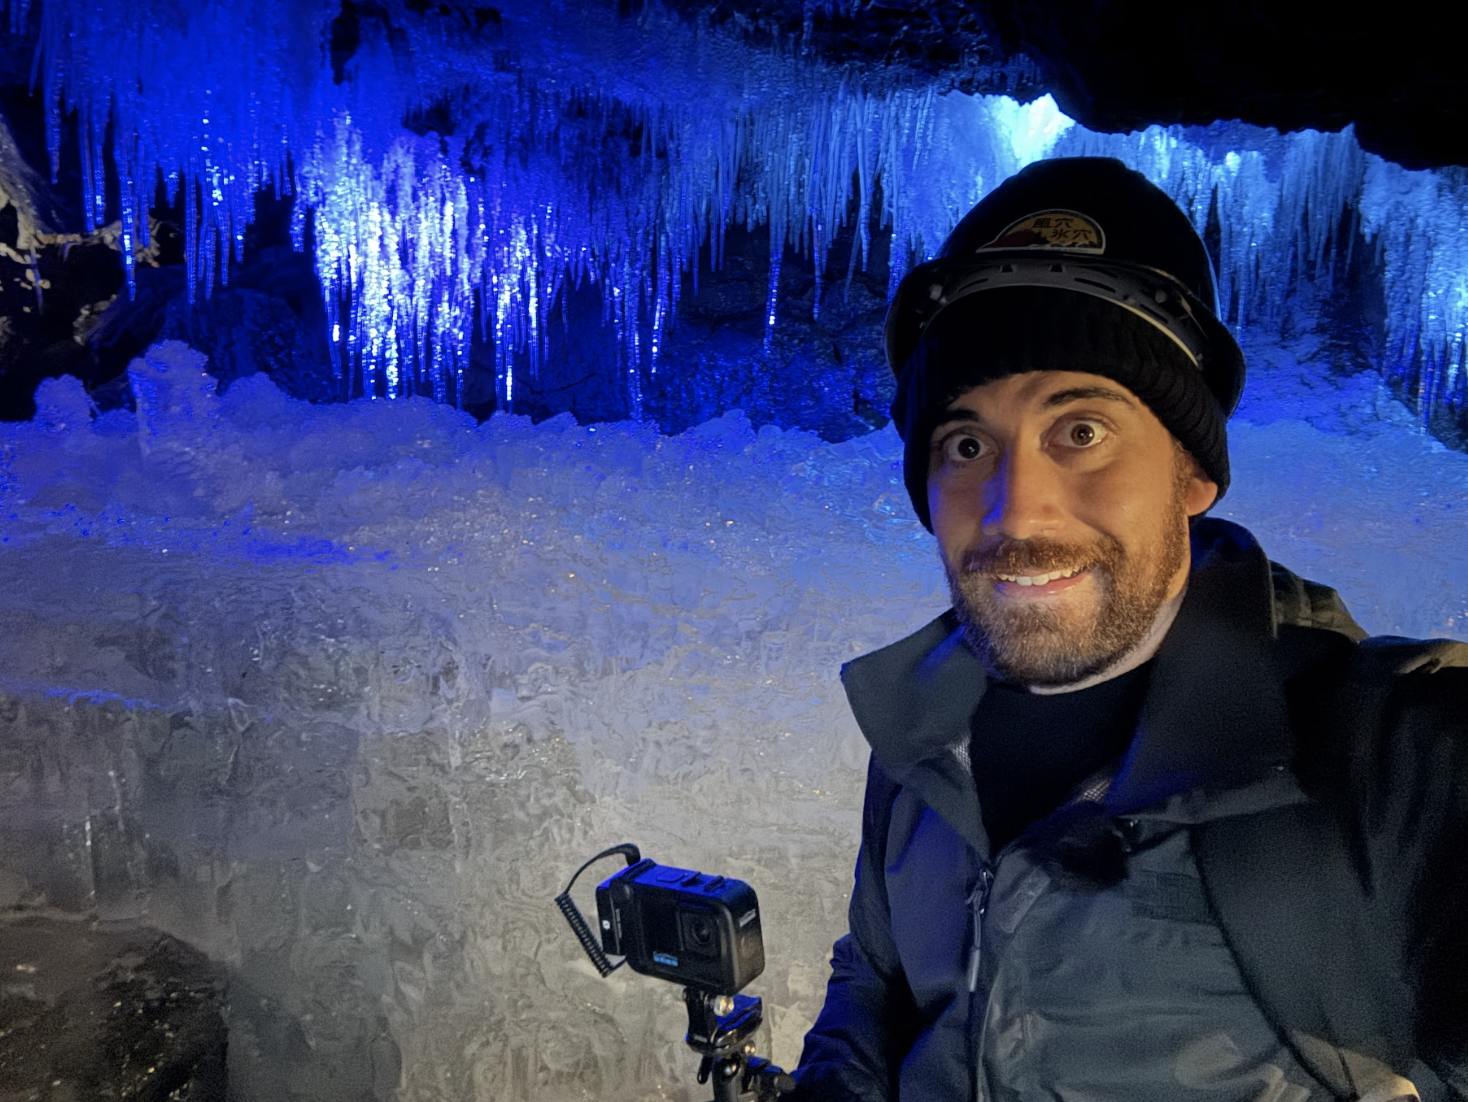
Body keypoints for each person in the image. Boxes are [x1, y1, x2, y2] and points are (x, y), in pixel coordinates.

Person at [788, 157, 1468, 1102]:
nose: (1015, 511)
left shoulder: (1383, 756)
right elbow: (875, 984)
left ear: (1193, 477)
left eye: (1082, 433)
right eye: (967, 445)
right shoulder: (918, 734)